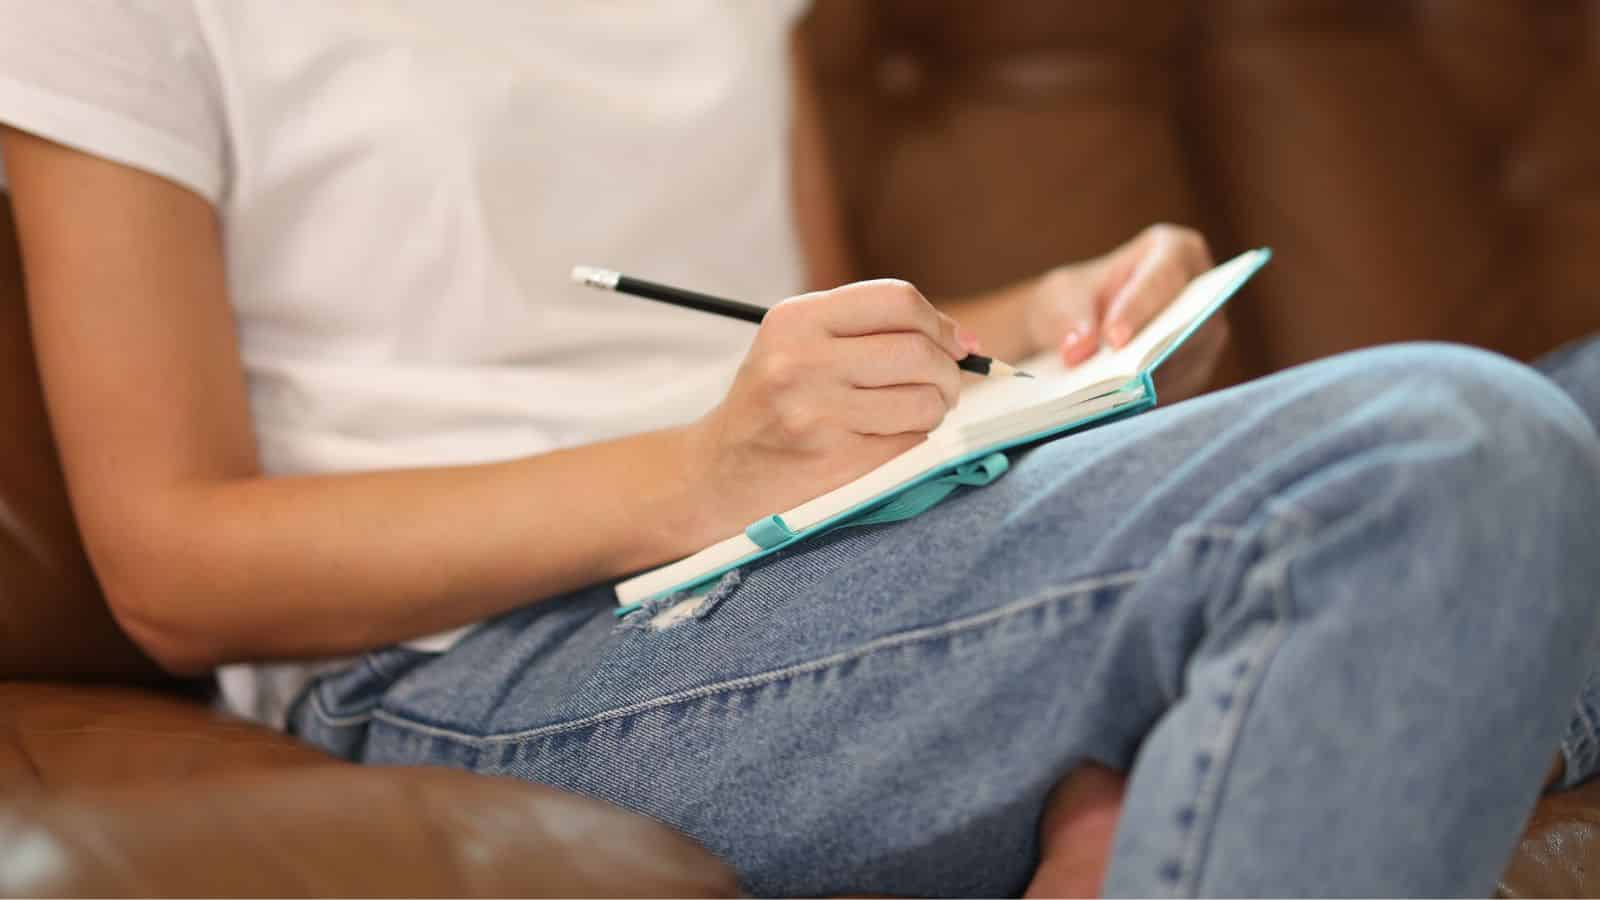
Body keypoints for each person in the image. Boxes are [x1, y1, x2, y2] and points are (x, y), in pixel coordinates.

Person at [1, 3, 1596, 896]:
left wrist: (1047, 321)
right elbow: (171, 563)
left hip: (834, 551)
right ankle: (1410, 669)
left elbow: (785, 341)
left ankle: (1373, 685)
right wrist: (701, 477)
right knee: (1447, 449)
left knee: (1539, 428)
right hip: (498, 655)